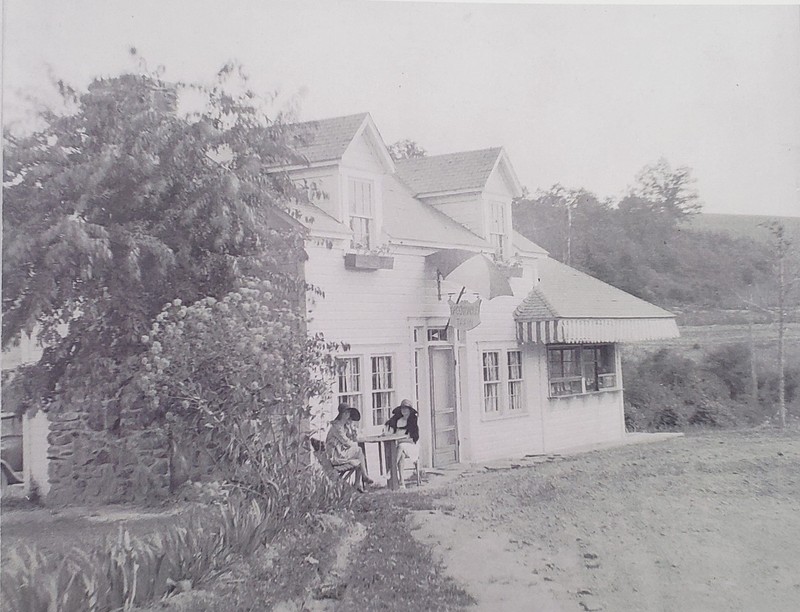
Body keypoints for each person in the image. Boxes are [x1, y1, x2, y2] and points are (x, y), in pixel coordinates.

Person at [326, 403, 373, 492]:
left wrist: (352, 429)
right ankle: (364, 477)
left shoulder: (344, 426)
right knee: (359, 451)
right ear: (343, 414)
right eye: (347, 413)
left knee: (358, 458)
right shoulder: (337, 427)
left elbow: (353, 440)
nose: (348, 416)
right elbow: (346, 442)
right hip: (335, 456)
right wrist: (353, 444)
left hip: (340, 452)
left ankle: (358, 483)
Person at [385, 399, 420, 488]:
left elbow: (413, 439)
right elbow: (393, 433)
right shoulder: (398, 421)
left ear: (410, 410)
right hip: (401, 447)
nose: (404, 411)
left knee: (401, 446)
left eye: (406, 409)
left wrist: (402, 440)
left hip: (412, 446)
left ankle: (391, 470)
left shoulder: (413, 421)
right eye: (402, 409)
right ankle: (402, 482)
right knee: (401, 455)